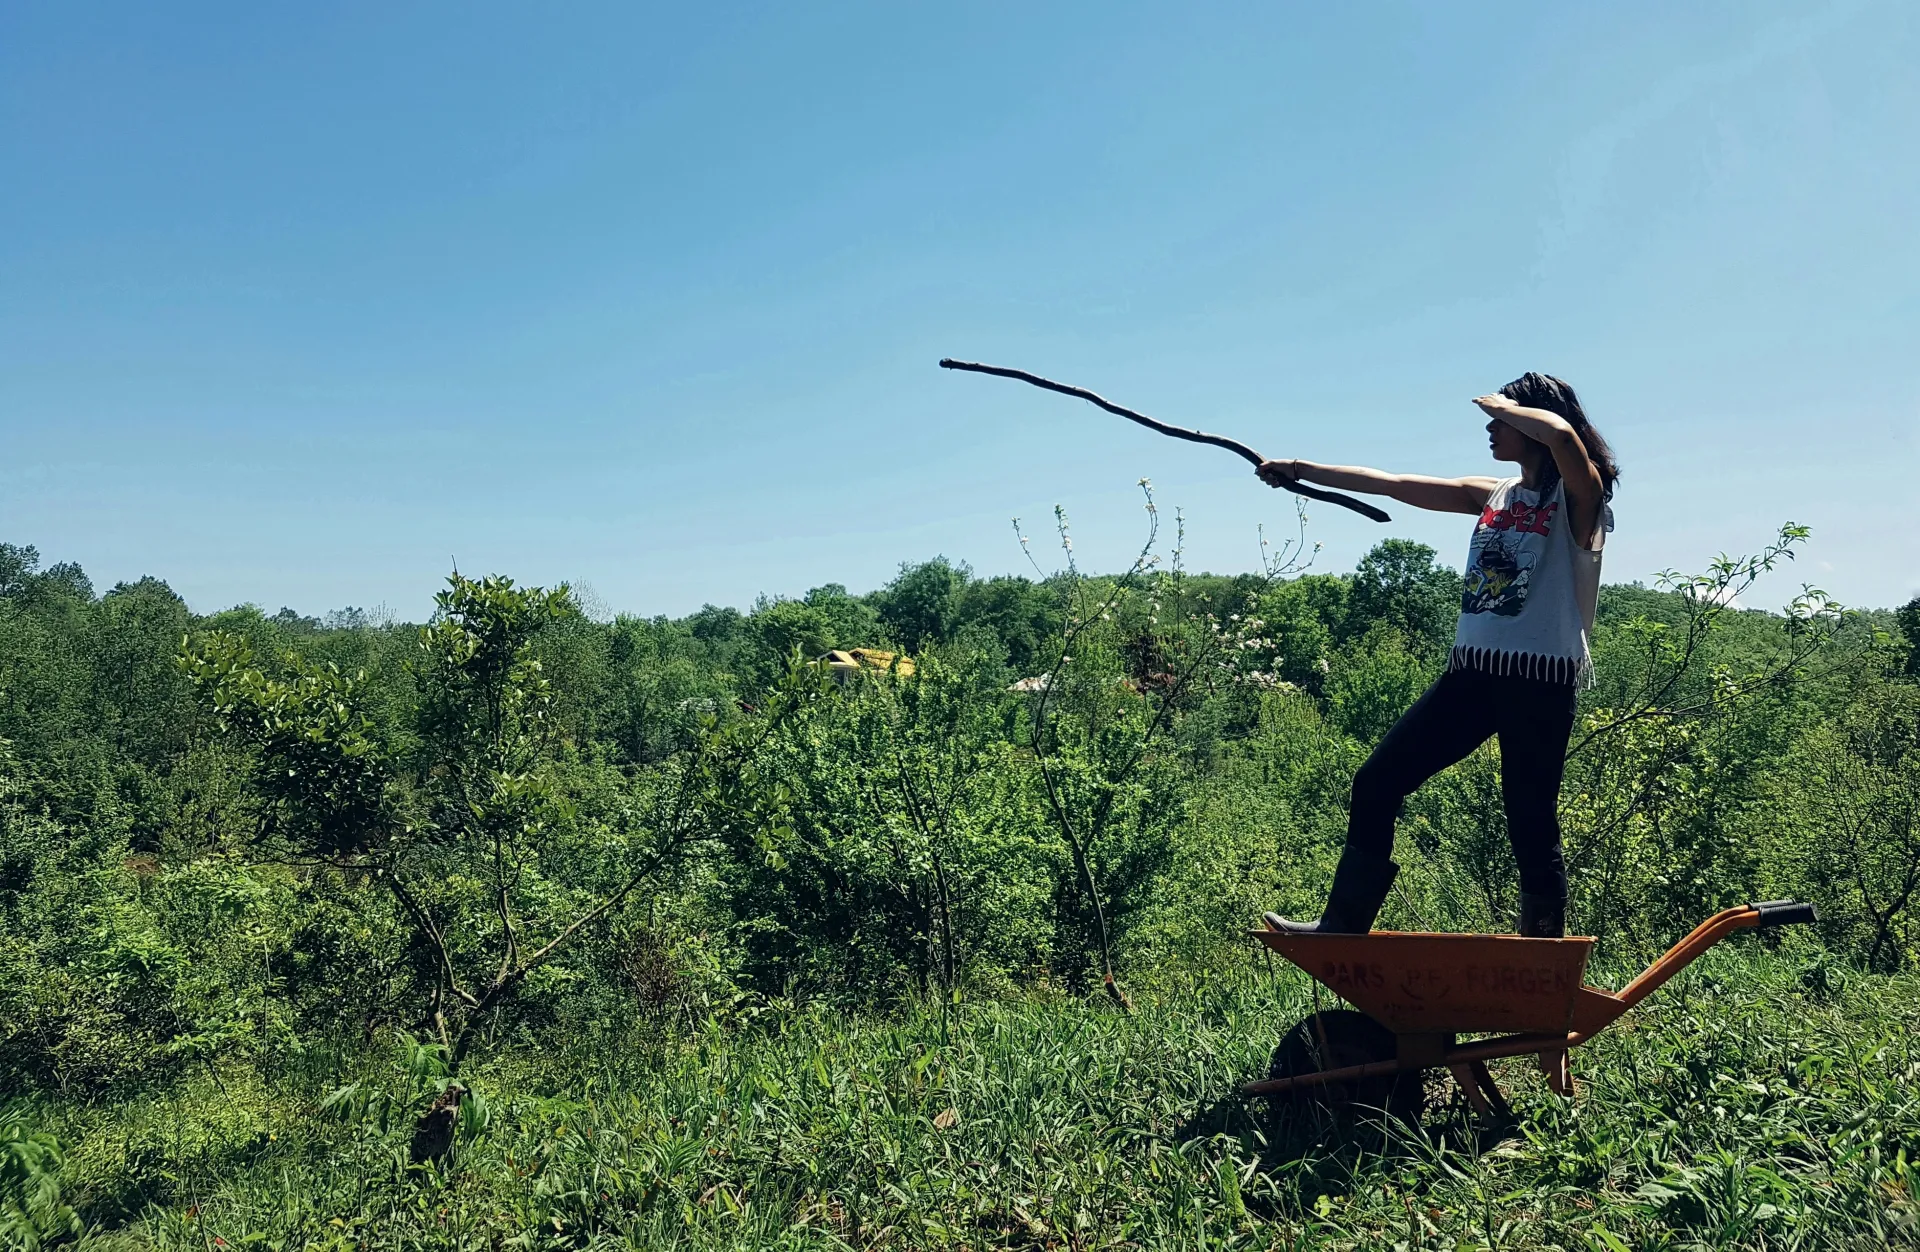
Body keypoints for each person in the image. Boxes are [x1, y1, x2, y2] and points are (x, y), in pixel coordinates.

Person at [1256, 372, 1619, 939]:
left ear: (1533, 422)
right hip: (1472, 676)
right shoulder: (1493, 494)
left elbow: (1564, 440)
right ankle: (1342, 925)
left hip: (1540, 681)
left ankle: (1544, 951)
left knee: (1529, 816)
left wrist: (1503, 400)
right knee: (1375, 782)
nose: (1491, 426)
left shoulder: (1580, 497)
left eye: (1502, 419)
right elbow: (1394, 483)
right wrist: (1298, 470)